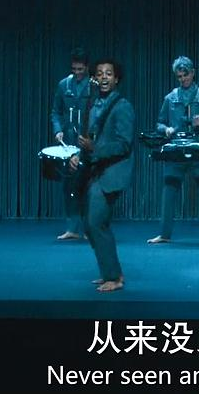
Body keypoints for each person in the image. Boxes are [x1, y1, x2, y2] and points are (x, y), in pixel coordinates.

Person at [68, 59, 134, 293]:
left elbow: (124, 144)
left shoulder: (122, 106)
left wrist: (94, 148)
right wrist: (79, 155)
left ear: (116, 78)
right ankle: (112, 271)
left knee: (96, 222)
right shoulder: (94, 105)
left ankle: (113, 278)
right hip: (95, 170)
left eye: (109, 73)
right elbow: (91, 140)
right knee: (90, 224)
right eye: (99, 73)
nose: (104, 77)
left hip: (112, 172)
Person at [148, 56, 199, 245]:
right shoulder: (170, 98)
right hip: (176, 151)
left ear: (193, 73)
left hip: (198, 150)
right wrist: (166, 129)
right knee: (169, 191)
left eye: (186, 75)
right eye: (179, 76)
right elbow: (159, 123)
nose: (183, 79)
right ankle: (164, 234)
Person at [50, 48, 93, 241]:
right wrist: (58, 129)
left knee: (88, 186)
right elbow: (56, 112)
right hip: (68, 142)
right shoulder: (63, 85)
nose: (77, 73)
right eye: (74, 69)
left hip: (87, 142)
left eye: (80, 69)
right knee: (69, 185)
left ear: (87, 67)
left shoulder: (93, 86)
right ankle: (72, 228)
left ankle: (89, 228)